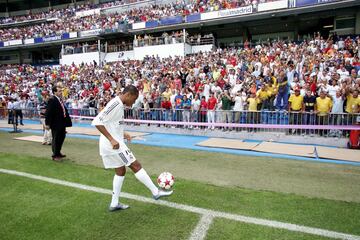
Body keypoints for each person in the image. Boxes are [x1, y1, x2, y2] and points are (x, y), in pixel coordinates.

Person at [92, 85, 173, 212]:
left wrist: (124, 134)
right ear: (128, 95)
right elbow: (97, 121)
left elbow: (110, 124)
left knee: (120, 171)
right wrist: (112, 139)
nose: (134, 102)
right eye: (134, 99)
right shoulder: (115, 104)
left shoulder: (119, 104)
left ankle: (114, 203)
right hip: (114, 145)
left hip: (112, 143)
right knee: (136, 165)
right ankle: (155, 191)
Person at [45, 86, 72, 162]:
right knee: (56, 139)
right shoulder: (52, 100)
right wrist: (47, 123)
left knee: (61, 138)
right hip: (56, 123)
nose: (61, 92)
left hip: (62, 123)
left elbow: (63, 111)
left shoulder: (59, 99)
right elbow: (48, 112)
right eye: (59, 91)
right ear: (55, 92)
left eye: (61, 91)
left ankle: (58, 152)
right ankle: (55, 155)